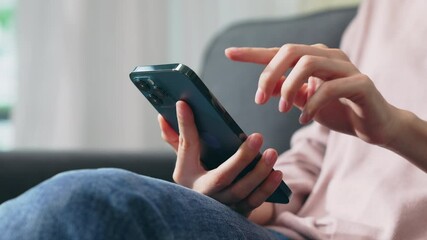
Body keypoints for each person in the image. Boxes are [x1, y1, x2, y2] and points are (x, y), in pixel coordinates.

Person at [1, 0, 426, 239]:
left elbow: (384, 129)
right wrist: (237, 191)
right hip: (287, 233)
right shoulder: (384, 8)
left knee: (87, 201)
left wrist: (398, 130)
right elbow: (316, 164)